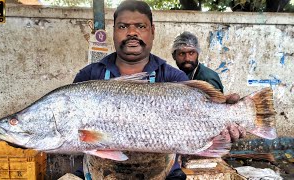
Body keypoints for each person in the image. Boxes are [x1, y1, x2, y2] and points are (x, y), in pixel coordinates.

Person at [73, 1, 244, 179]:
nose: (132, 32)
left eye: (140, 26)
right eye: (123, 26)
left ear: (152, 31)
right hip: (99, 174)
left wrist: (225, 121)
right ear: (114, 31)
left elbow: (193, 133)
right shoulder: (89, 76)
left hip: (164, 175)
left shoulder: (174, 78)